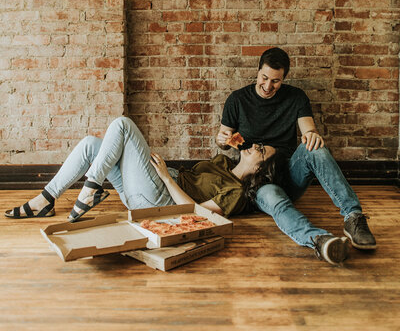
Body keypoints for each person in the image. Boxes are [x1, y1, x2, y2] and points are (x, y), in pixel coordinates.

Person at [216, 47, 377, 266]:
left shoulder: (296, 97)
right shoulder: (237, 100)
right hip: (258, 181)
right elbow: (222, 141)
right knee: (275, 200)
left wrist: (311, 136)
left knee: (315, 147)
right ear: (258, 71)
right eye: (264, 78)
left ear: (284, 78)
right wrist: (221, 139)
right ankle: (320, 240)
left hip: (289, 174)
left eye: (275, 81)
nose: (268, 86)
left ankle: (353, 217)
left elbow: (308, 129)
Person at [4, 116, 280, 222]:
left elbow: (195, 213)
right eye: (260, 145)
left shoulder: (235, 192)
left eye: (263, 152)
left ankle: (90, 188)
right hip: (145, 187)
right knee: (90, 144)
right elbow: (222, 146)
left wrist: (164, 176)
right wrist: (226, 140)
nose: (257, 147)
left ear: (260, 170)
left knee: (123, 124)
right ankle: (46, 200)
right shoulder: (223, 163)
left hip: (158, 199)